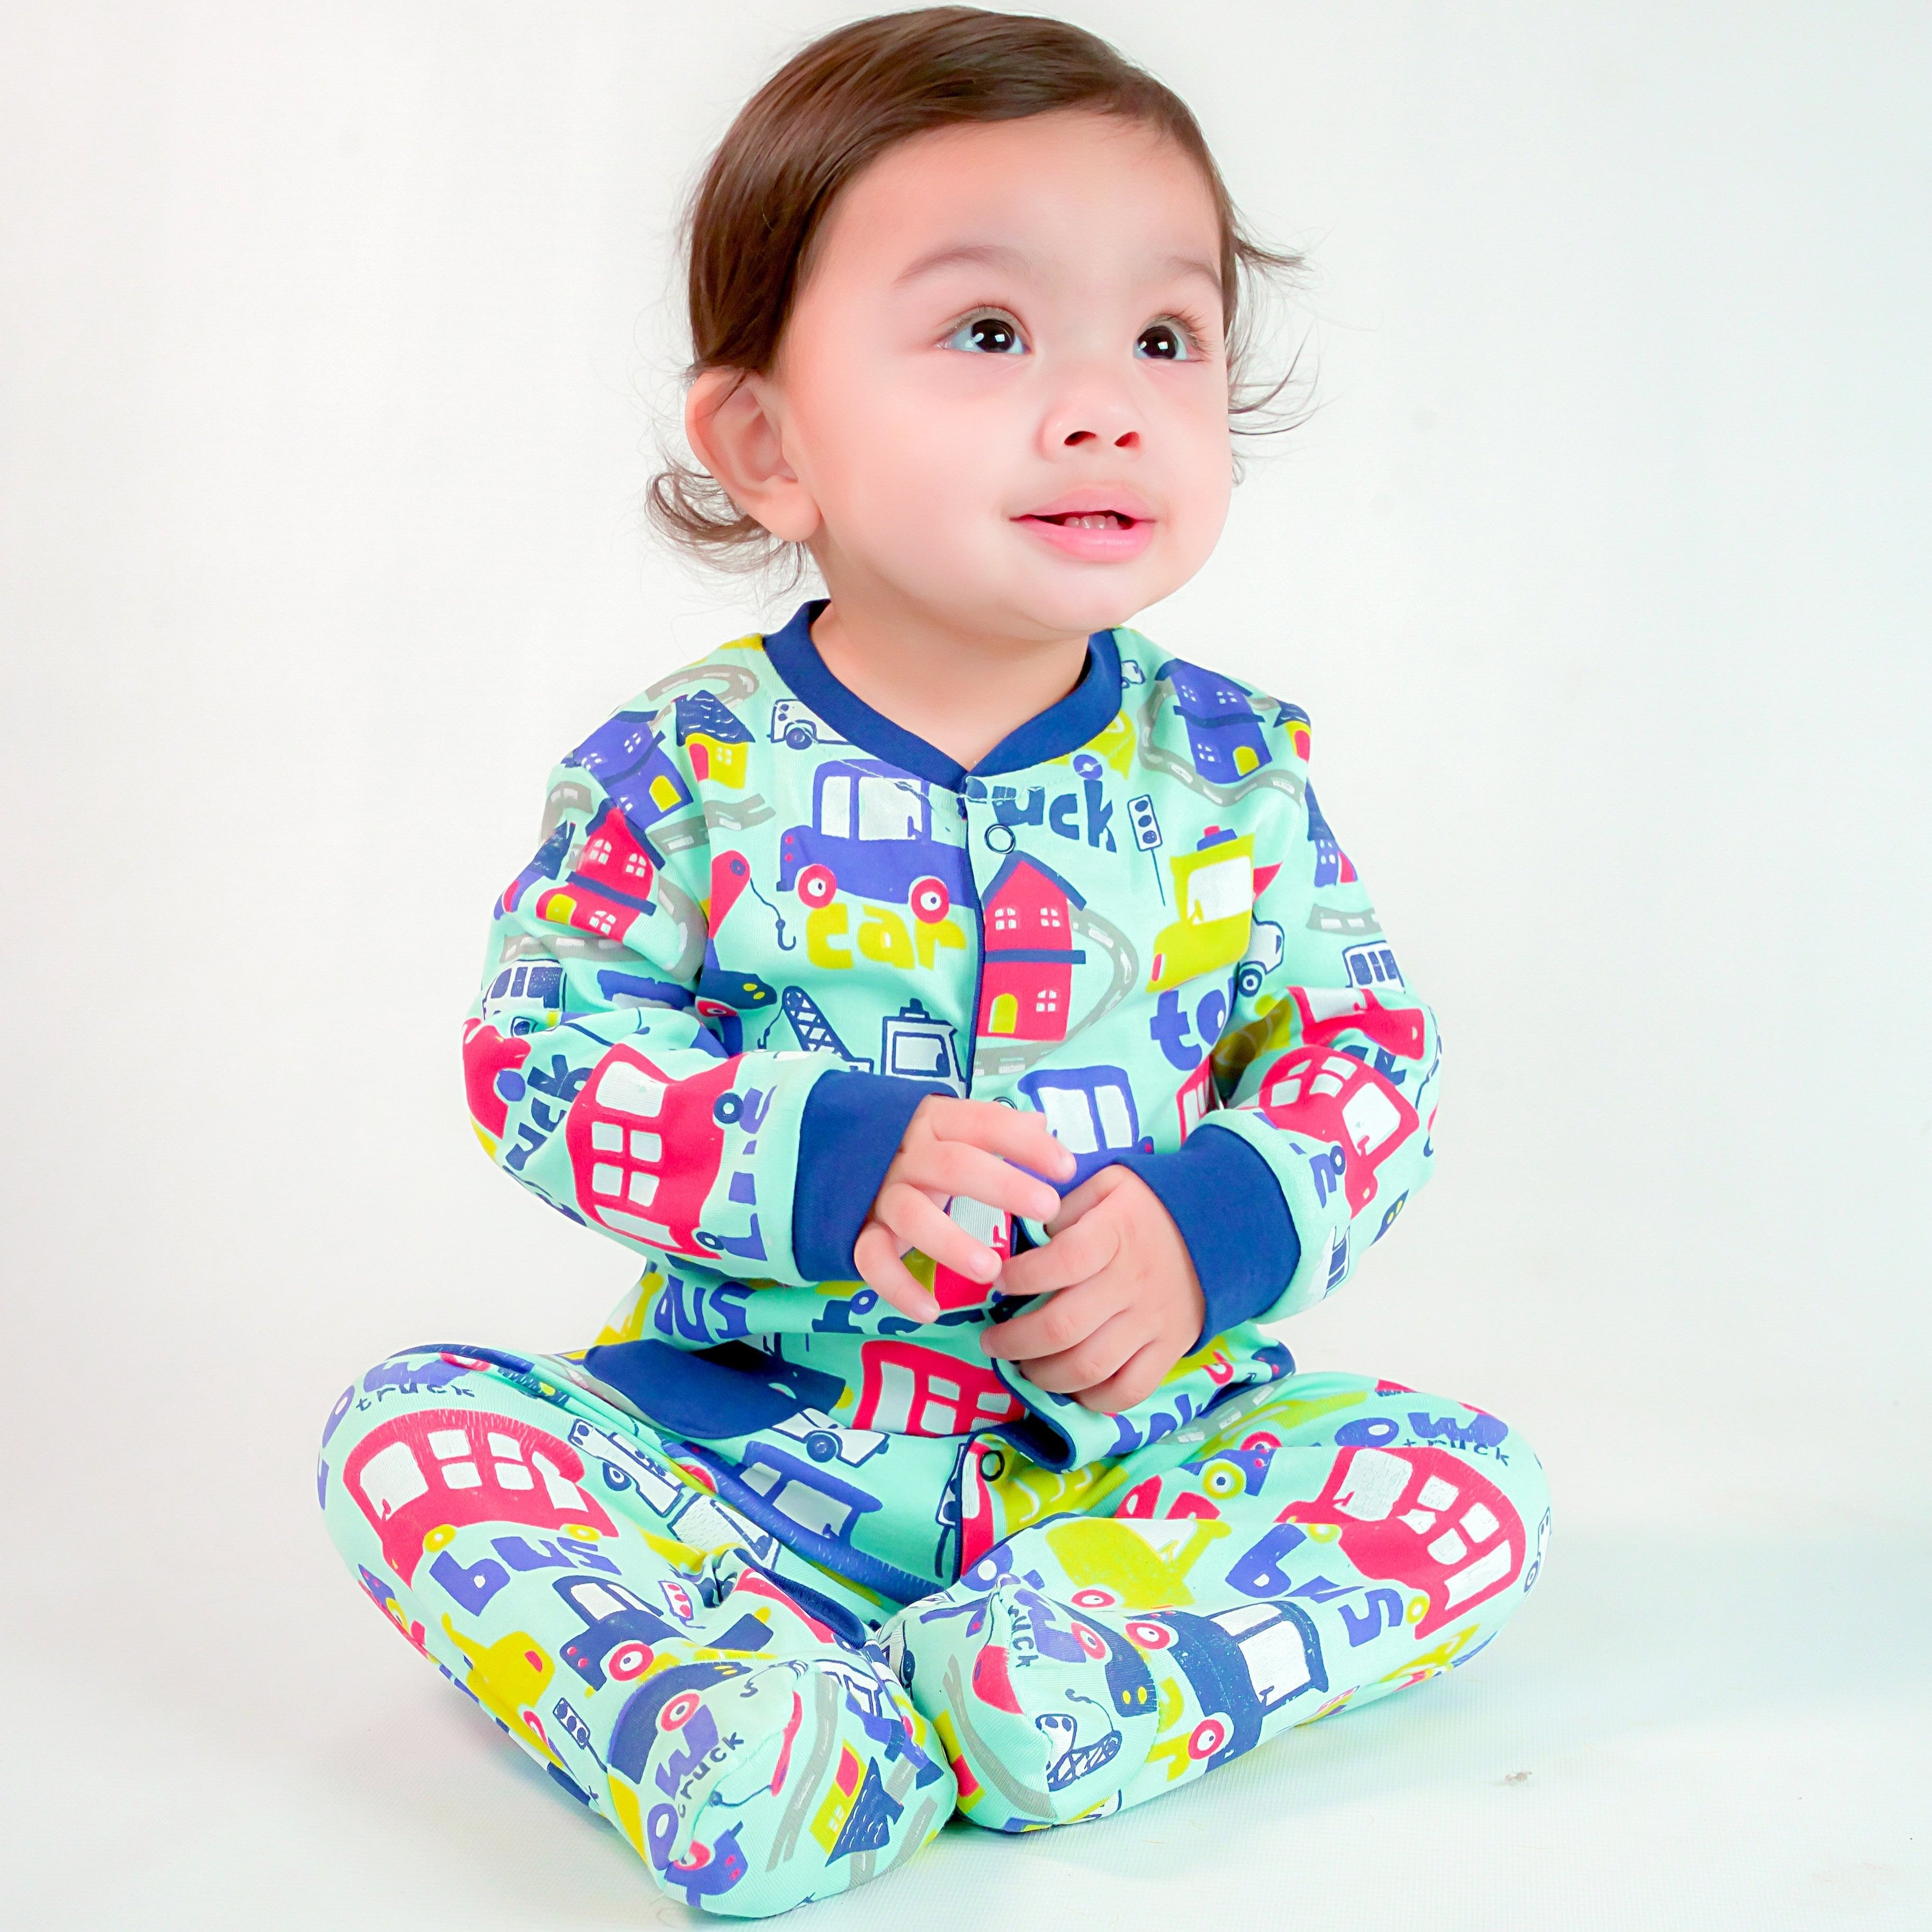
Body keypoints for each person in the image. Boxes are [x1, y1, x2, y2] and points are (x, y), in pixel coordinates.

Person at [318, 10, 1552, 1916]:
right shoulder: (684, 771)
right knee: (408, 1432)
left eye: (1166, 338)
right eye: (990, 332)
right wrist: (814, 1158)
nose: (1103, 405)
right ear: (768, 444)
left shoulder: (1231, 769)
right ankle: (720, 1712)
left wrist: (1207, 1234)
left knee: (1464, 1480)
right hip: (748, 1440)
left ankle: (1076, 1677)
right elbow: (540, 1051)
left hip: (1130, 1462)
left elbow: (1363, 1051)